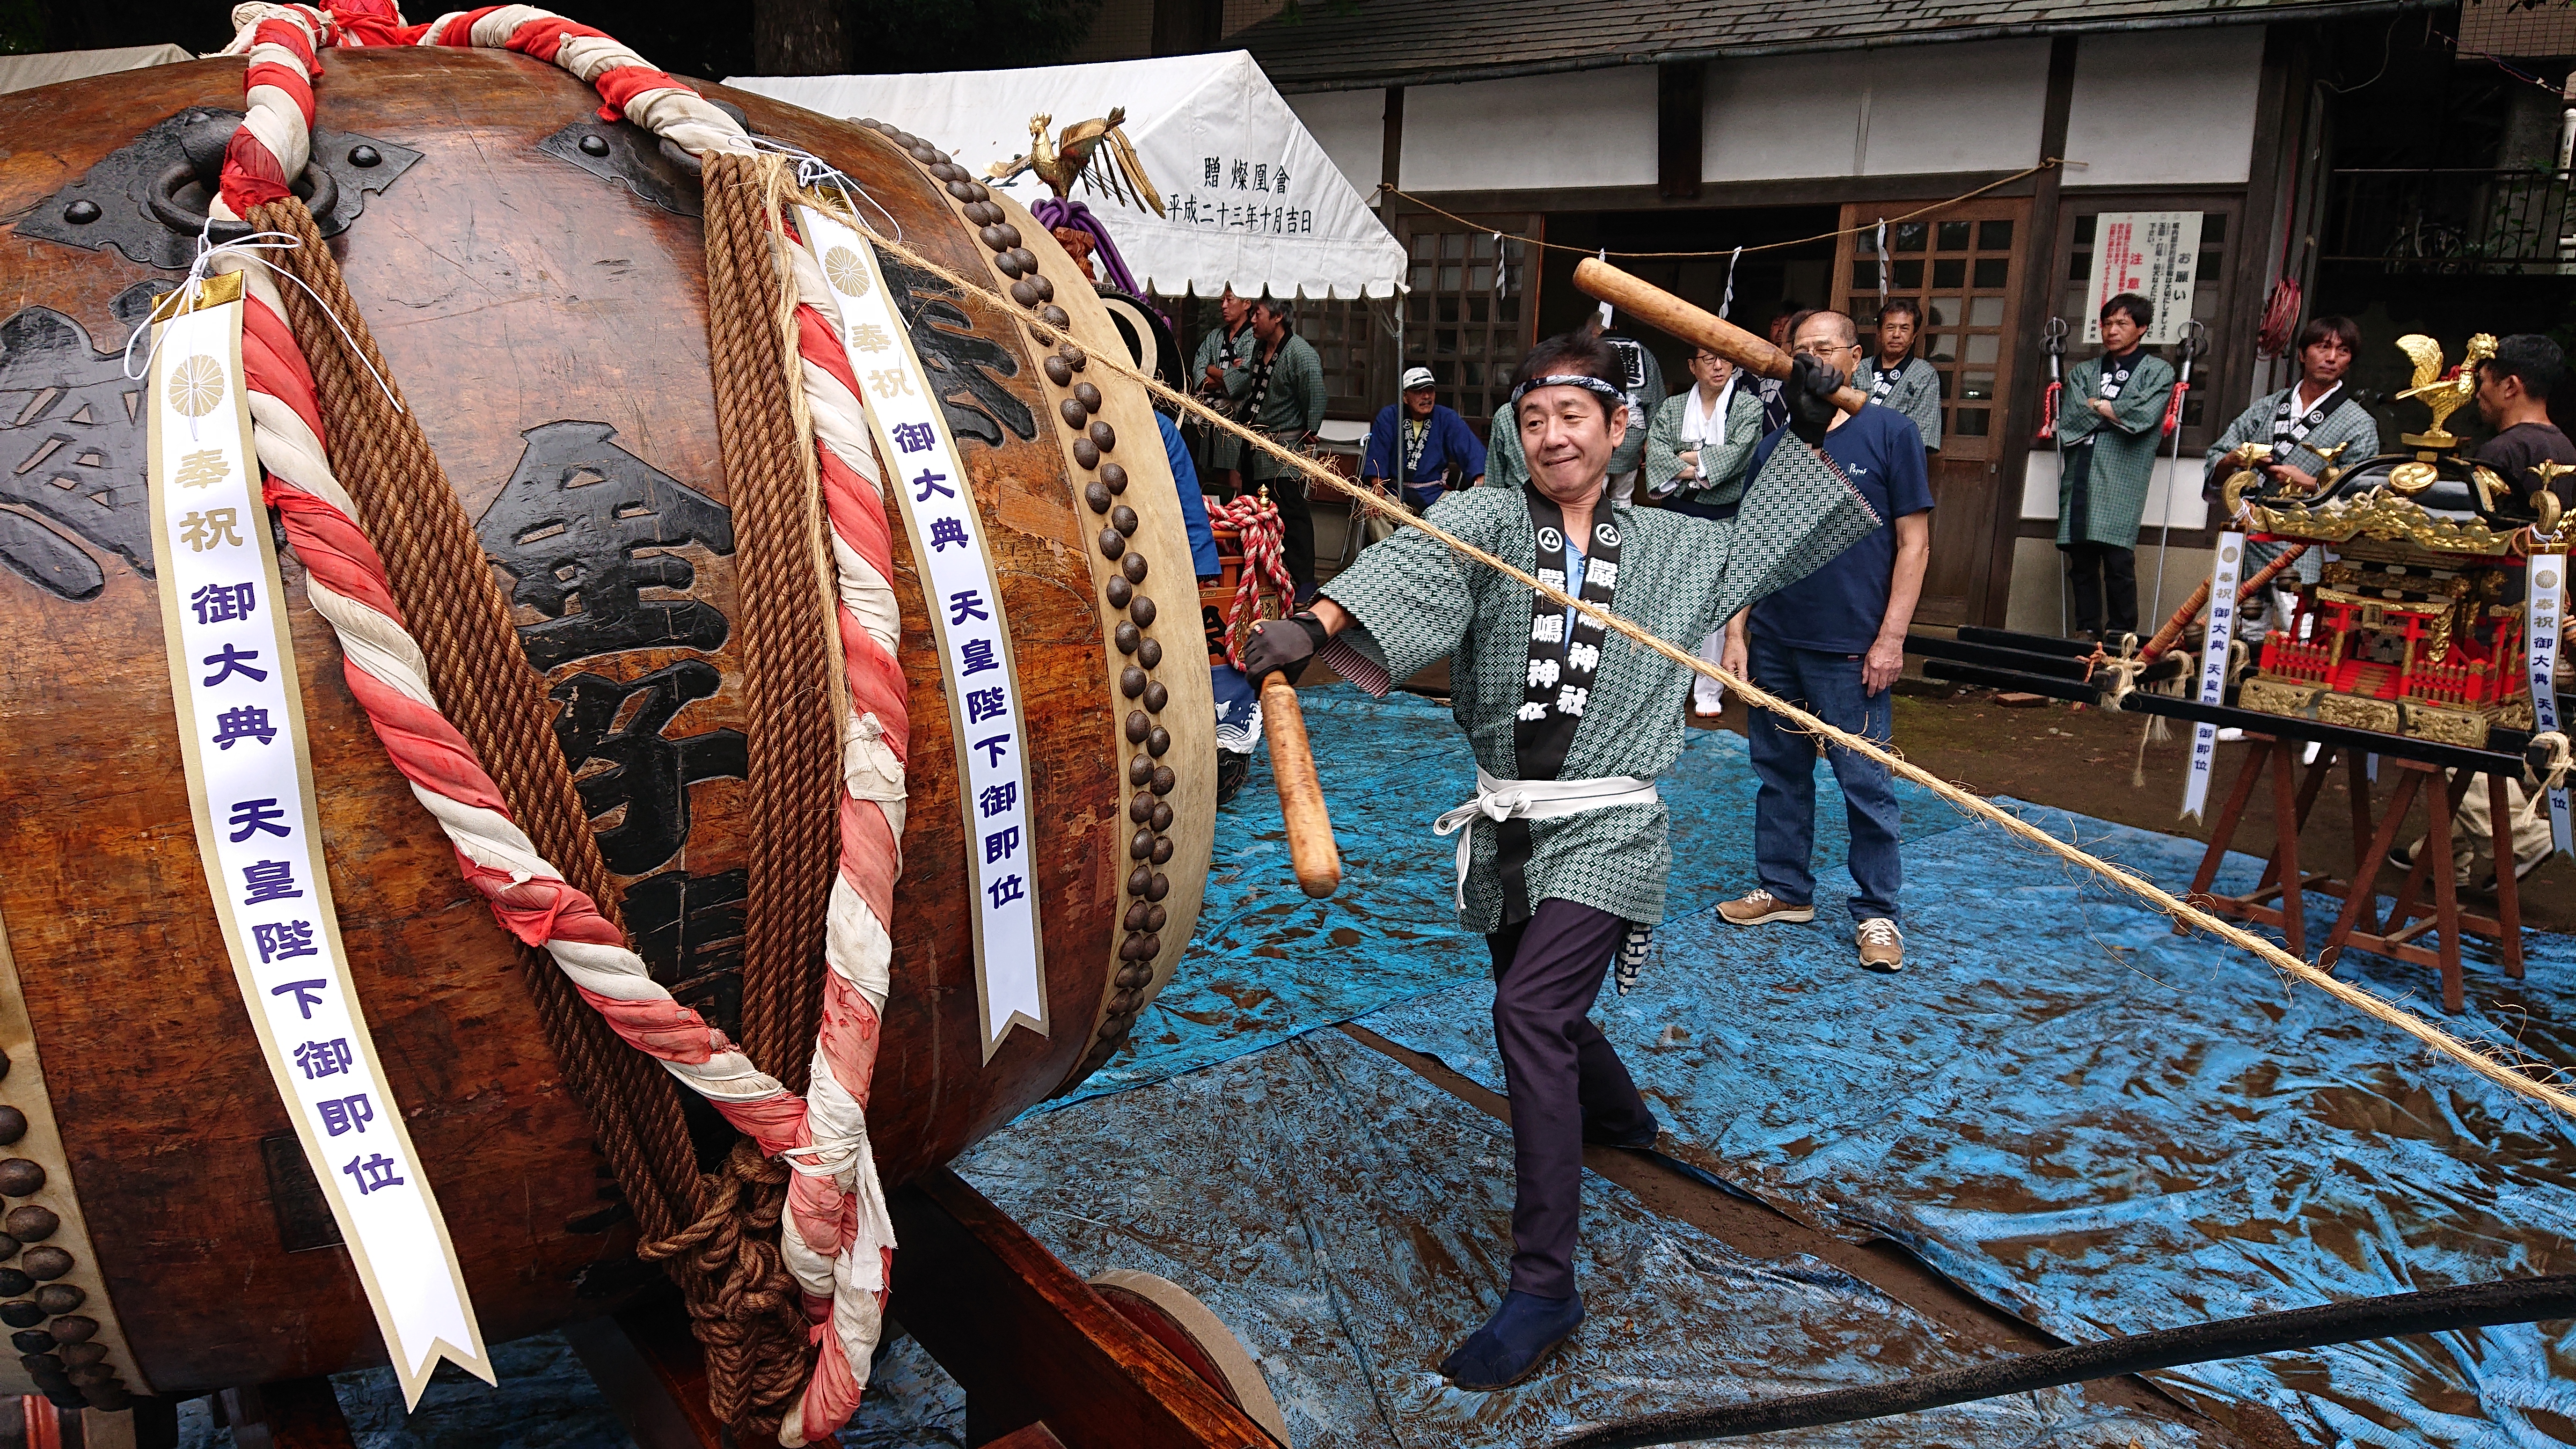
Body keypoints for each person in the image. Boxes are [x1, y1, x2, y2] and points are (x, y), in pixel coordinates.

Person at [1237, 321, 1875, 1390]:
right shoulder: (1488, 521)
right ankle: (1619, 1118)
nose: (1551, 435)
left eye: (1572, 414)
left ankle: (1544, 1285)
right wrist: (1314, 621)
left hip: (1613, 823)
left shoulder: (1670, 547)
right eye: (1531, 418)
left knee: (1527, 1013)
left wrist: (1803, 422)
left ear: (1620, 428)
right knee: (1541, 998)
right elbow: (1414, 561)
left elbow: (1760, 537)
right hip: (1508, 820)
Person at [1717, 309, 1933, 973]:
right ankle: (1786, 889)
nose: (1812, 359)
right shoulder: (1777, 438)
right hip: (1779, 634)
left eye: (1824, 348)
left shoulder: (1892, 431)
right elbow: (1757, 539)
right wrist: (1737, 628)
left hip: (1852, 643)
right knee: (1778, 773)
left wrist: (1891, 638)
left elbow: (1914, 543)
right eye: (1800, 349)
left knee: (1865, 782)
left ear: (1855, 355)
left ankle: (1878, 914)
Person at [2390, 333, 2574, 886]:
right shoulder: (2565, 448)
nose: (2477, 393)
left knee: (2441, 720)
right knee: (2486, 733)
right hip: (2540, 613)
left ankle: (2518, 837)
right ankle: (2454, 852)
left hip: (2492, 611)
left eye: (2485, 382)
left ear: (2509, 384)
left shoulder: (2501, 453)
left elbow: (2464, 540)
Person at [2203, 315, 2378, 644]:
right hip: (2251, 531)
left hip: (2304, 542)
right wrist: (2233, 460)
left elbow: (2363, 491)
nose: (2331, 358)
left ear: (2350, 360)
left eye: (2342, 351)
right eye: (2322, 347)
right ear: (2302, 354)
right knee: (2243, 628)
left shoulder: (2359, 423)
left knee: (2298, 629)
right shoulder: (2268, 408)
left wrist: (2311, 482)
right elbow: (2219, 455)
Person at [1646, 347, 1767, 717]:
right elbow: (1656, 455)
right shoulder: (1671, 407)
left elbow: (1736, 458)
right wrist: (1704, 460)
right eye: (1708, 359)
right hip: (1678, 514)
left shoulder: (1748, 407)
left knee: (1718, 603)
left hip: (1725, 515)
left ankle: (1709, 688)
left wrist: (1685, 459)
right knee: (1672, 600)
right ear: (1691, 365)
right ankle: (1668, 687)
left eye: (1725, 359)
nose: (1718, 366)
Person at [2053, 293, 2174, 642]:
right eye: (2107, 323)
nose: (2112, 331)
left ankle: (2122, 631)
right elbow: (2072, 414)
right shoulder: (2085, 371)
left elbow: (2145, 415)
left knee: (2118, 558)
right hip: (2082, 468)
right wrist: (2113, 410)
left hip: (2123, 471)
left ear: (2143, 329)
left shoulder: (2158, 371)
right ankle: (2087, 627)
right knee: (2082, 557)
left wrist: (2099, 406)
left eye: (2122, 323)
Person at [1485, 328, 1664, 504]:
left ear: (1617, 425)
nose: (1552, 439)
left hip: (1629, 450)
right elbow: (1492, 485)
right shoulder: (1493, 520)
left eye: (1571, 417)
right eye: (1535, 423)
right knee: (1621, 496)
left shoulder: (1654, 531)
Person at [1229, 295, 1327, 598]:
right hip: (1255, 443)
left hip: (1285, 447)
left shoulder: (1300, 353)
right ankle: (1262, 575)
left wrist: (1311, 426)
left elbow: (1315, 391)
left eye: (1257, 313)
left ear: (1277, 318)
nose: (1253, 320)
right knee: (1257, 513)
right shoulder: (1259, 348)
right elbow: (1243, 384)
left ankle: (1305, 583)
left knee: (1291, 514)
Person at [1362, 366, 1487, 511]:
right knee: (1374, 510)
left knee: (1458, 514)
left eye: (1430, 391)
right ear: (1405, 397)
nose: (1426, 397)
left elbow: (1470, 450)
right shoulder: (1389, 417)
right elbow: (1378, 455)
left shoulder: (1446, 418)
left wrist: (1480, 479)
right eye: (1418, 392)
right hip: (1395, 493)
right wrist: (1377, 491)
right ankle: (1388, 536)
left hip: (1434, 493)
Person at [1190, 285, 1257, 495]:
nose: (1224, 306)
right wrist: (1225, 373)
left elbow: (1243, 380)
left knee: (1234, 475)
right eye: (1222, 301)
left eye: (1230, 300)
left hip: (1237, 417)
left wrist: (1213, 371)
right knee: (1209, 473)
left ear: (1247, 304)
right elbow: (1198, 372)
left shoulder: (1254, 338)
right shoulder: (1215, 337)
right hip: (1210, 417)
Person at [1855, 298, 1942, 455]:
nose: (1896, 335)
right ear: (1879, 333)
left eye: (1904, 329)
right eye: (1890, 328)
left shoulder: (1925, 375)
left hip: (1898, 457)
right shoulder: (1859, 368)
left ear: (1914, 335)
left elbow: (1921, 433)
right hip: (1854, 450)